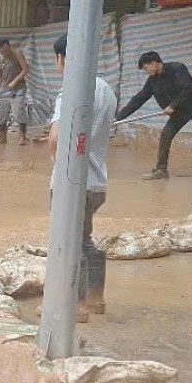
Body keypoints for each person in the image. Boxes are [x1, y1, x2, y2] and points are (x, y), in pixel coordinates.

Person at [48, 34, 116, 320]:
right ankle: (95, 299)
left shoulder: (71, 90)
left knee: (69, 242)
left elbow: (55, 137)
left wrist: (53, 156)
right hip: (97, 180)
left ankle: (73, 307)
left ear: (62, 58)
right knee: (84, 240)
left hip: (72, 182)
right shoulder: (106, 90)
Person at [115, 51, 192, 182]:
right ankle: (161, 170)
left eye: (146, 68)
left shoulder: (177, 68)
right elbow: (139, 99)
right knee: (166, 134)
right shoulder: (152, 81)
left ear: (153, 63)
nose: (146, 71)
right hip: (180, 111)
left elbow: (189, 89)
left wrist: (172, 105)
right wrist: (119, 117)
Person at [0, 38, 30, 145]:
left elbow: (25, 69)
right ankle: (2, 138)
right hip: (5, 90)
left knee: (18, 113)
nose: (4, 51)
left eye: (6, 49)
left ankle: (23, 137)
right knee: (1, 115)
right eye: (2, 50)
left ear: (9, 46)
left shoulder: (17, 55)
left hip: (18, 89)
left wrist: (15, 81)